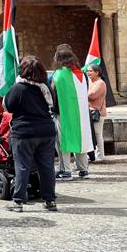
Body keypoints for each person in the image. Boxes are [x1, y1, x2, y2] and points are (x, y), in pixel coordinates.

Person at [3, 56, 58, 212]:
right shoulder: (46, 87)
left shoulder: (18, 88)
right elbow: (53, 104)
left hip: (24, 132)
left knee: (22, 166)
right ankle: (50, 201)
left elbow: (8, 107)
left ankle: (18, 201)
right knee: (47, 167)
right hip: (46, 131)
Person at [51, 45, 90, 179]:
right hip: (81, 113)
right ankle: (83, 169)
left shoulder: (58, 75)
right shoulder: (82, 74)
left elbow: (53, 93)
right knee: (81, 139)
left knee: (63, 140)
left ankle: (65, 170)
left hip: (63, 113)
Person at [86, 64, 108, 162]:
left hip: (98, 113)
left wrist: (82, 94)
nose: (88, 73)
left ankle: (100, 155)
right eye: (87, 71)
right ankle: (93, 154)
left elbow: (92, 95)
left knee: (98, 134)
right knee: (91, 134)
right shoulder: (90, 82)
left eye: (90, 71)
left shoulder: (100, 83)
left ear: (97, 72)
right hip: (90, 112)